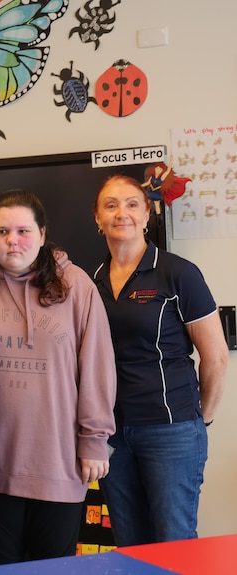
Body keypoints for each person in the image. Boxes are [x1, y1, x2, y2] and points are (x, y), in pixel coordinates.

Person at [0, 189, 116, 566]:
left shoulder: (75, 285)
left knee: (54, 566)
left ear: (43, 234)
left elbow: (97, 366)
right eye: (1, 231)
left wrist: (94, 440)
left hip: (57, 461)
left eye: (23, 231)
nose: (12, 240)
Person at [92, 175, 228, 547]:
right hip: (113, 434)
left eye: (132, 204)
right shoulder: (94, 279)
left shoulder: (178, 273)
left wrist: (203, 418)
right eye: (111, 205)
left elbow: (215, 357)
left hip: (171, 431)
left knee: (174, 543)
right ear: (98, 218)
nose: (122, 213)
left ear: (147, 214)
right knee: (130, 543)